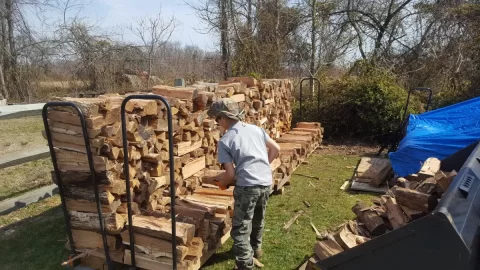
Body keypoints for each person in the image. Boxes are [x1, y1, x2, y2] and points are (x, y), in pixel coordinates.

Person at [207, 98, 281, 270]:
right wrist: (261, 167)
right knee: (257, 218)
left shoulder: (225, 141)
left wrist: (221, 184)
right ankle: (256, 250)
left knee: (240, 227)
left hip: (247, 186)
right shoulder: (256, 129)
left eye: (217, 120)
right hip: (265, 181)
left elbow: (230, 174)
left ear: (223, 117)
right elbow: (275, 149)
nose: (217, 123)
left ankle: (245, 265)